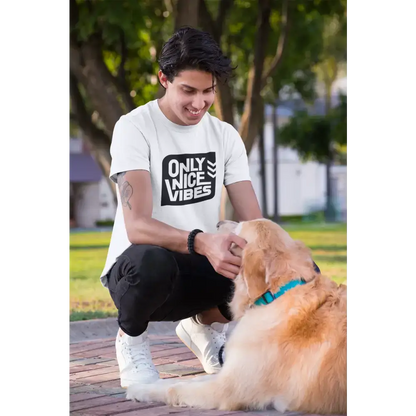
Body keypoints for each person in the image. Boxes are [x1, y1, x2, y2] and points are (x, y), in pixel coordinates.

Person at [100, 26, 263, 388]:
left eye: (208, 91)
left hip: (199, 267)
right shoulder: (135, 128)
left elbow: (256, 223)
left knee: (265, 259)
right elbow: (138, 227)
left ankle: (202, 327)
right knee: (153, 261)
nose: (199, 103)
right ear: (164, 79)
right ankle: (131, 339)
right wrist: (204, 240)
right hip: (138, 273)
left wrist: (284, 263)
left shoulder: (224, 136)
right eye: (188, 90)